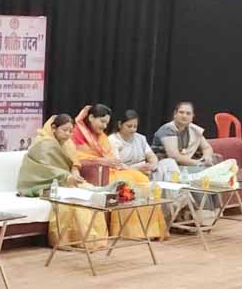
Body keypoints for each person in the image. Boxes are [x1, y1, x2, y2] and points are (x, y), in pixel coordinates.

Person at [72, 104, 166, 239]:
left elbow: (111, 157)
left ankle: (147, 230)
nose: (105, 126)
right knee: (125, 182)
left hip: (109, 170)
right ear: (91, 117)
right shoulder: (76, 134)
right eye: (102, 122)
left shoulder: (102, 136)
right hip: (93, 173)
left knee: (142, 180)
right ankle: (128, 230)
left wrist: (111, 162)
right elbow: (76, 157)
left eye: (106, 123)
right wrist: (101, 161)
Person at [16, 114, 107, 247]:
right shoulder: (43, 143)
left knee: (89, 196)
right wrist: (67, 177)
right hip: (41, 183)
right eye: (64, 130)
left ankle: (92, 238)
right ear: (53, 128)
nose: (68, 134)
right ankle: (69, 240)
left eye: (70, 131)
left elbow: (73, 163)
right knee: (68, 203)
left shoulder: (68, 143)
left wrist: (75, 173)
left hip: (64, 181)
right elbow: (45, 169)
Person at [151, 101, 218, 180]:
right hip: (166, 165)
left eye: (188, 113)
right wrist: (198, 163)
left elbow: (207, 148)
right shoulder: (168, 129)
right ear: (175, 114)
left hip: (186, 164)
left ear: (192, 116)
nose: (184, 116)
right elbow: (174, 156)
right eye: (181, 112)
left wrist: (206, 158)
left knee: (215, 158)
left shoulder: (194, 129)